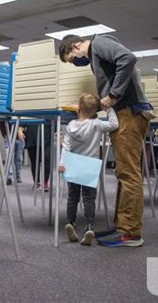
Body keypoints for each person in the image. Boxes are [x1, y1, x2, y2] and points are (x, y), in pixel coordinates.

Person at [59, 34, 151, 247]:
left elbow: (128, 58)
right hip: (124, 113)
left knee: (129, 174)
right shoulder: (96, 55)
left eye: (72, 58)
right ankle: (122, 226)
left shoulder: (99, 43)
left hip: (129, 112)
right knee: (123, 172)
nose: (75, 63)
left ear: (76, 45)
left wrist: (114, 94)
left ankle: (131, 233)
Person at [58, 93, 119, 246]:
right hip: (90, 165)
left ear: (78, 108)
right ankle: (89, 228)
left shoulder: (71, 125)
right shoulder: (96, 124)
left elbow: (66, 146)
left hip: (73, 163)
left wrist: (62, 162)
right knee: (88, 198)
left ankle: (71, 223)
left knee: (73, 197)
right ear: (95, 112)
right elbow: (114, 124)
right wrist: (108, 108)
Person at [24, 124, 51, 191]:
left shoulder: (48, 114)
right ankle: (36, 182)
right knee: (34, 162)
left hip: (46, 140)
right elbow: (23, 122)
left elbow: (55, 126)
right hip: (32, 139)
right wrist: (20, 130)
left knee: (46, 161)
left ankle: (45, 182)